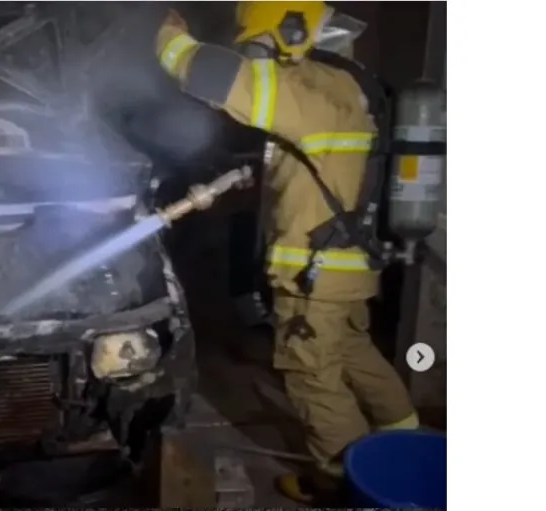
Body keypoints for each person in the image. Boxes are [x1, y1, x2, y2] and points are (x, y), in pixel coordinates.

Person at [153, 1, 419, 504]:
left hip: (316, 273)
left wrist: (169, 38)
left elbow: (219, 78)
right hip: (352, 266)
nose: (254, 53)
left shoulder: (306, 87)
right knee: (355, 354)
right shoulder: (350, 86)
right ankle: (404, 440)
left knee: (311, 375)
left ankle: (344, 484)